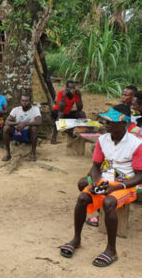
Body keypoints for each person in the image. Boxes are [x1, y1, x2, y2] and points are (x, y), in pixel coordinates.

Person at [60, 105, 142, 267]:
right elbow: (96, 167)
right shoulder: (103, 140)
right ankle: (76, 239)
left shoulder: (136, 144)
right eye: (105, 121)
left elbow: (140, 176)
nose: (105, 124)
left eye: (110, 122)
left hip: (127, 185)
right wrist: (97, 183)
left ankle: (111, 250)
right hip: (106, 181)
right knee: (83, 197)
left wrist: (117, 187)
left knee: (109, 202)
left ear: (123, 124)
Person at [2, 95, 42, 162]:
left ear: (30, 102)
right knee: (6, 128)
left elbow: (39, 121)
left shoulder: (35, 109)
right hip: (17, 132)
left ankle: (33, 153)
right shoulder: (16, 109)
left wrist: (26, 123)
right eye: (22, 101)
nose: (24, 102)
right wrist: (17, 123)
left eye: (26, 101)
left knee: (34, 128)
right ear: (20, 101)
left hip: (28, 133)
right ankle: (8, 153)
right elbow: (7, 121)